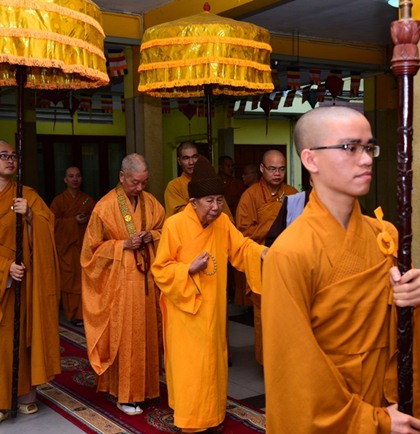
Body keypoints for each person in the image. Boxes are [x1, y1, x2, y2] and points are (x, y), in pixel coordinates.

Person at [262, 106, 420, 433]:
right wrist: (372, 420)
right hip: (339, 413)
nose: (365, 159)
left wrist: (412, 302)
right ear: (310, 159)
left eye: (369, 148)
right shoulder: (290, 252)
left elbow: (412, 331)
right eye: (350, 147)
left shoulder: (384, 235)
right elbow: (295, 367)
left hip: (394, 402)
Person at [152, 156, 267, 433]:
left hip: (213, 309)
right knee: (191, 367)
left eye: (219, 200)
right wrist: (187, 269)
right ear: (193, 202)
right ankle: (191, 421)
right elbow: (160, 269)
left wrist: (263, 253)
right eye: (209, 201)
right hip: (186, 310)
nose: (216, 207)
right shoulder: (175, 225)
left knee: (213, 364)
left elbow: (241, 248)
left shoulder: (222, 222)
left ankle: (213, 416)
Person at [0, 139, 61, 430]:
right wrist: (5, 267)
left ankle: (25, 394)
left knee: (24, 335)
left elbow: (48, 228)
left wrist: (30, 216)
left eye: (13, 155)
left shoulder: (28, 195)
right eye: (2, 155)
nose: (9, 160)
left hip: (25, 279)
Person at [80, 153, 164, 416]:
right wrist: (122, 245)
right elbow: (90, 253)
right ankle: (125, 394)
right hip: (121, 287)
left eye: (144, 182)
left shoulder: (151, 203)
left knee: (147, 335)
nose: (140, 187)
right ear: (122, 177)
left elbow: (166, 231)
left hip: (147, 283)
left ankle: (147, 389)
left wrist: (153, 235)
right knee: (126, 338)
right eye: (135, 182)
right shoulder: (104, 207)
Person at [235, 149, 298, 364]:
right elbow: (243, 233)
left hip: (288, 261)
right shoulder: (250, 196)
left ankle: (289, 361)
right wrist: (274, 223)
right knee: (265, 313)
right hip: (263, 261)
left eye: (281, 169)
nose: (277, 173)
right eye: (272, 169)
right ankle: (267, 362)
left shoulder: (292, 193)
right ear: (262, 169)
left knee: (289, 312)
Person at [50, 166, 96, 327]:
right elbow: (52, 223)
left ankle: (84, 313)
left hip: (84, 246)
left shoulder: (87, 200)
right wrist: (73, 221)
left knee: (84, 280)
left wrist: (87, 218)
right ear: (65, 180)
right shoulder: (59, 201)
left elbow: (98, 220)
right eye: (71, 176)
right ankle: (72, 313)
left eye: (77, 176)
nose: (75, 179)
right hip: (67, 248)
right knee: (69, 279)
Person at [164, 142, 233, 220]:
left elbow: (226, 215)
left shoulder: (211, 183)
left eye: (195, 157)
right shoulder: (174, 186)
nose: (191, 162)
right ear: (179, 161)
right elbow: (177, 216)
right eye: (186, 158)